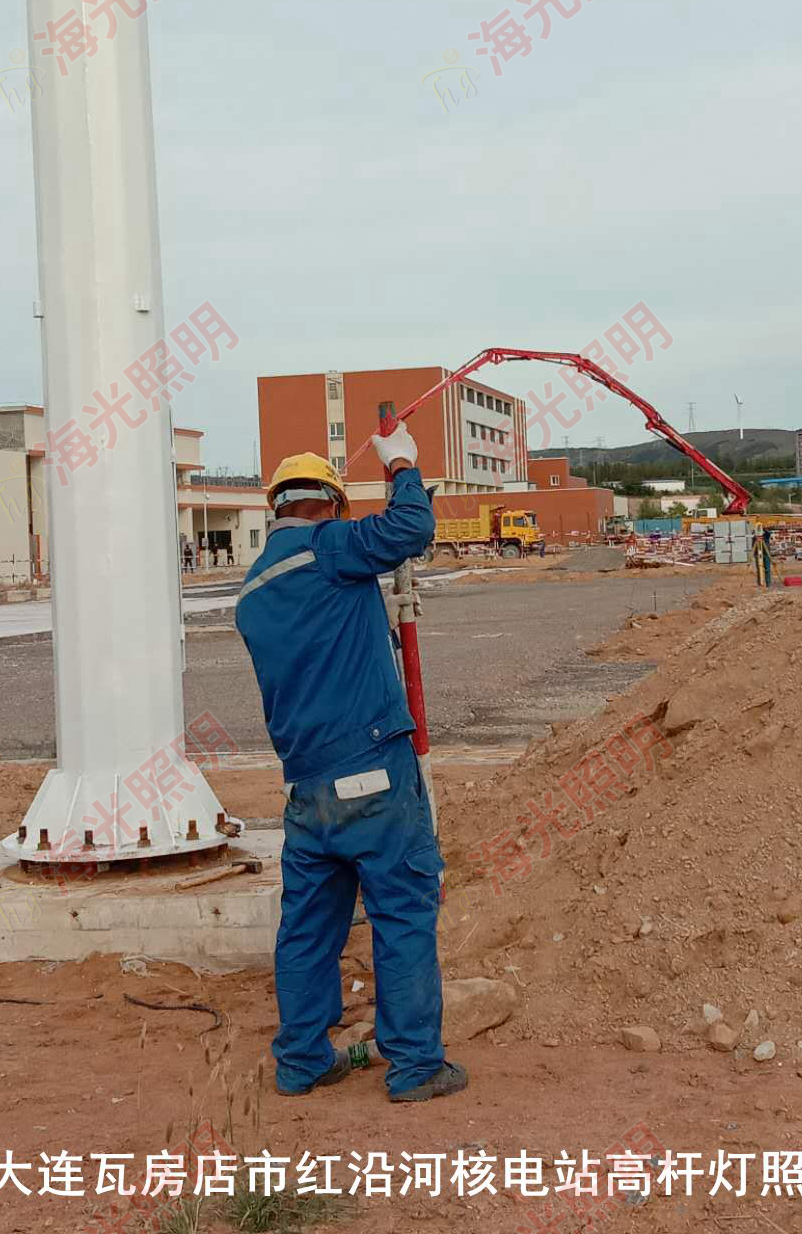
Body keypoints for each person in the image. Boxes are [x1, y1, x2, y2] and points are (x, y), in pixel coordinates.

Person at [235, 422, 467, 1103]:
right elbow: (408, 529)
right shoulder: (329, 550)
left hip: (307, 791)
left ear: (272, 507)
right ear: (327, 506)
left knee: (307, 928)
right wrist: (402, 463)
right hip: (372, 770)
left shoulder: (252, 593)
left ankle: (303, 1059)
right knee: (402, 911)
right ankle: (417, 1066)